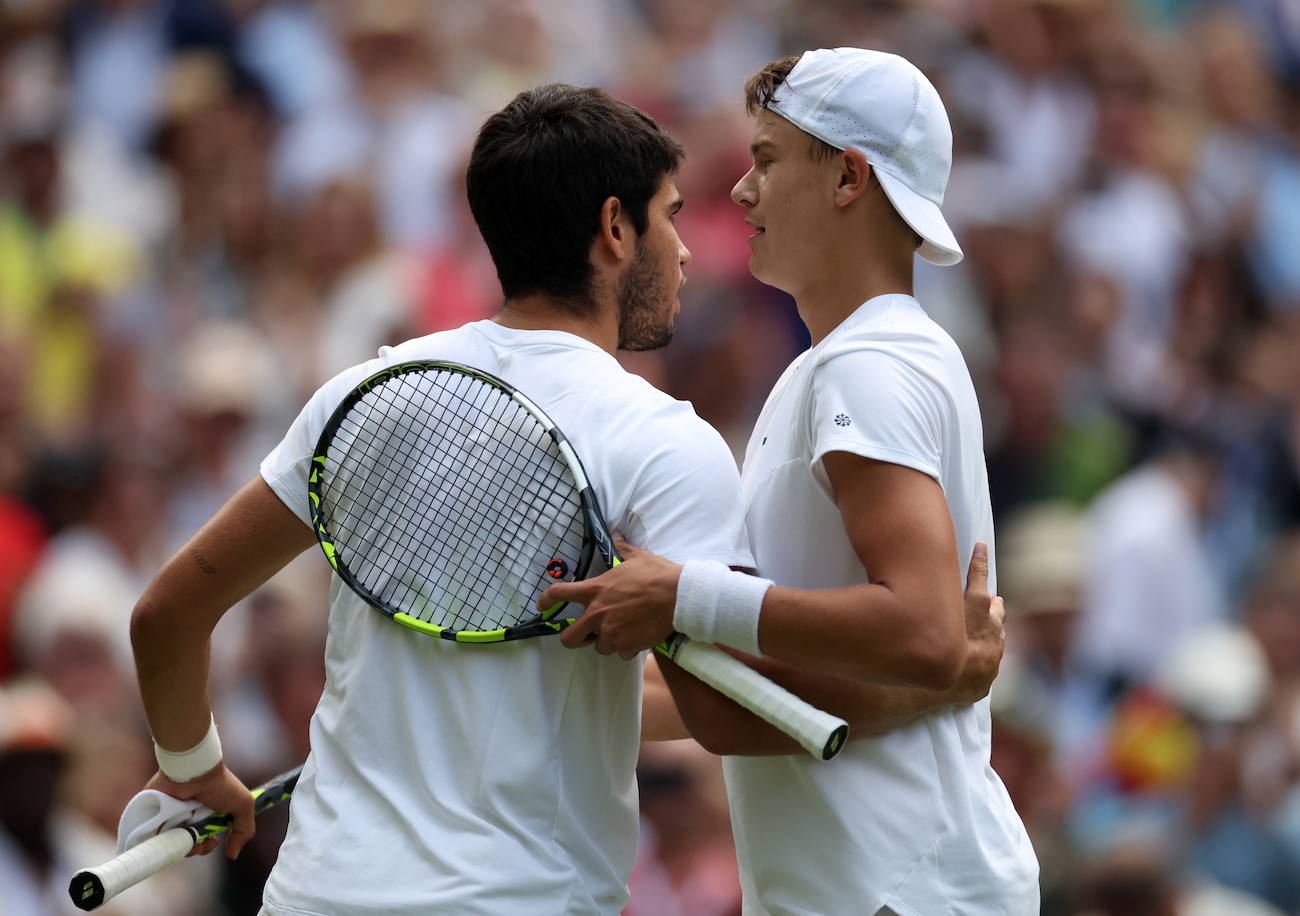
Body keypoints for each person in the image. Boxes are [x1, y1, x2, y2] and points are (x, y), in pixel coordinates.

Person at [126, 82, 1002, 915]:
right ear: (614, 229)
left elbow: (166, 615)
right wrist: (936, 683)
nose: (689, 249)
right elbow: (723, 709)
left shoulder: (362, 394)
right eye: (671, 218)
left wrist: (191, 765)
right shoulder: (666, 442)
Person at [543, 49, 1040, 914]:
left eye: (767, 160)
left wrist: (686, 598)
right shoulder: (844, 365)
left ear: (849, 177)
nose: (739, 192)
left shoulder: (868, 365)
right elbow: (745, 704)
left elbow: (922, 633)